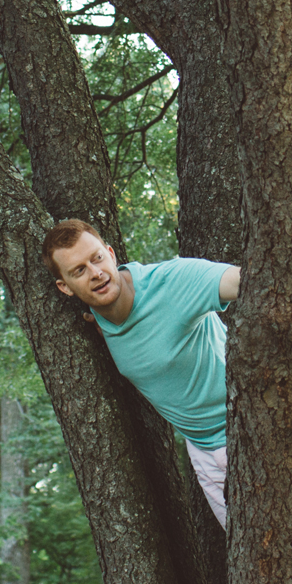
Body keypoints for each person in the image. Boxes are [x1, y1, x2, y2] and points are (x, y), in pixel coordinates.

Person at [42, 219, 241, 529]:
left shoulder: (172, 282)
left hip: (250, 427)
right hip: (204, 455)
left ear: (110, 253)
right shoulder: (93, 321)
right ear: (64, 287)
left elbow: (248, 281)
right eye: (79, 271)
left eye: (97, 258)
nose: (95, 273)